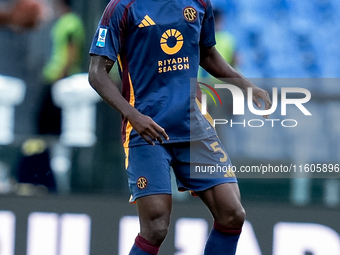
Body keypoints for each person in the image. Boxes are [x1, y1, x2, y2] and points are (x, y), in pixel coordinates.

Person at [88, 1, 271, 255]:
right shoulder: (122, 7)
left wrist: (245, 85)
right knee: (155, 227)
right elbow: (97, 73)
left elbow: (207, 53)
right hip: (146, 130)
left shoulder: (199, 3)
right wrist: (134, 116)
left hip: (192, 126)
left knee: (232, 213)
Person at [37, 0, 85, 135]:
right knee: (46, 118)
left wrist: (62, 74)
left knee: (51, 119)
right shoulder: (64, 21)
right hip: (54, 75)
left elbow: (72, 49)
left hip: (60, 77)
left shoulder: (70, 21)